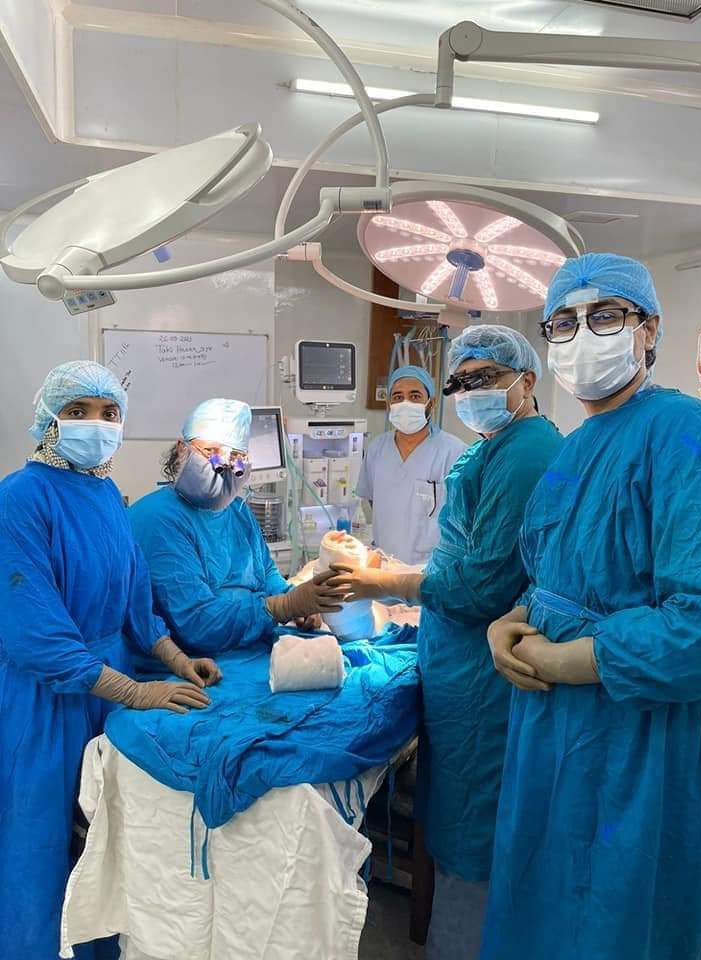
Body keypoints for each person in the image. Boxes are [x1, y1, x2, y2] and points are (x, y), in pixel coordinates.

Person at [482, 254, 701, 960]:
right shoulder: (576, 446)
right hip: (549, 731)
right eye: (563, 322)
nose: (582, 334)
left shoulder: (687, 435)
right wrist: (510, 620)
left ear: (649, 330)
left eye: (606, 315)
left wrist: (568, 661)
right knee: (541, 908)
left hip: (634, 740)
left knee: (613, 921)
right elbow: (559, 572)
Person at [328, 328, 563, 959]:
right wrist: (394, 570)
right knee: (453, 812)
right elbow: (464, 552)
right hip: (452, 651)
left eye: (485, 378)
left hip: (481, 672)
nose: (469, 391)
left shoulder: (526, 453)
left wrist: (385, 581)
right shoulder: (492, 447)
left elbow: (481, 585)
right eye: (461, 380)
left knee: (471, 827)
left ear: (526, 381)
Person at [0, 361, 220, 960]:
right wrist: (138, 692)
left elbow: (134, 596)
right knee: (42, 850)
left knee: (101, 846)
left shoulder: (104, 494)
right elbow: (35, 634)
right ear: (50, 420)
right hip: (45, 703)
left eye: (109, 413)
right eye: (79, 412)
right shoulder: (19, 498)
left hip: (105, 691)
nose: (96, 424)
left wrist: (174, 656)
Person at [129, 398, 346, 672]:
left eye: (235, 457)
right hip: (192, 665)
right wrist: (282, 606)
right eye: (211, 451)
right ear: (182, 449)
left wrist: (299, 602)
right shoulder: (158, 519)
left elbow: (266, 574)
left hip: (248, 650)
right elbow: (197, 625)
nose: (222, 465)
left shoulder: (238, 512)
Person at [355, 365, 465, 565]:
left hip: (430, 567)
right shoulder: (377, 449)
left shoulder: (454, 452)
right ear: (389, 404)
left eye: (415, 396)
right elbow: (373, 499)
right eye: (398, 397)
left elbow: (464, 516)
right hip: (384, 563)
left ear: (431, 403)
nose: (405, 403)